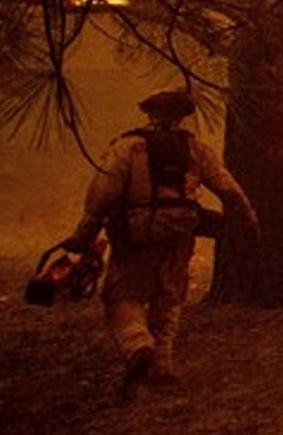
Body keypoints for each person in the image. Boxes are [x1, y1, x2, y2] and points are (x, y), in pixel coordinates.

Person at [60, 88, 257, 395]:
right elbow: (228, 188)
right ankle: (162, 366)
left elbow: (103, 194)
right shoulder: (196, 150)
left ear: (149, 113)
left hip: (135, 234)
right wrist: (248, 221)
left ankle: (138, 345)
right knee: (169, 295)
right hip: (181, 231)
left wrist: (83, 234)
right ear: (182, 115)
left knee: (122, 295)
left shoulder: (127, 147)